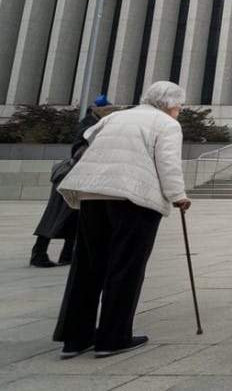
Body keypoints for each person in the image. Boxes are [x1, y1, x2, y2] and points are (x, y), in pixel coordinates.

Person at [54, 82, 191, 359]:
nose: (179, 111)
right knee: (126, 266)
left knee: (88, 266)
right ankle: (112, 337)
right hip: (133, 198)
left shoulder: (116, 116)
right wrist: (178, 196)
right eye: (179, 106)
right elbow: (168, 162)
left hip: (93, 193)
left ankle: (75, 338)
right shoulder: (166, 124)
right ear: (170, 104)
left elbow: (90, 136)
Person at [30, 95, 116, 268]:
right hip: (70, 177)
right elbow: (78, 151)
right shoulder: (90, 126)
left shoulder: (95, 124)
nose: (109, 113)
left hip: (79, 177)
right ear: (95, 109)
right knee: (55, 216)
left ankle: (68, 254)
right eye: (106, 110)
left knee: (75, 217)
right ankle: (39, 253)